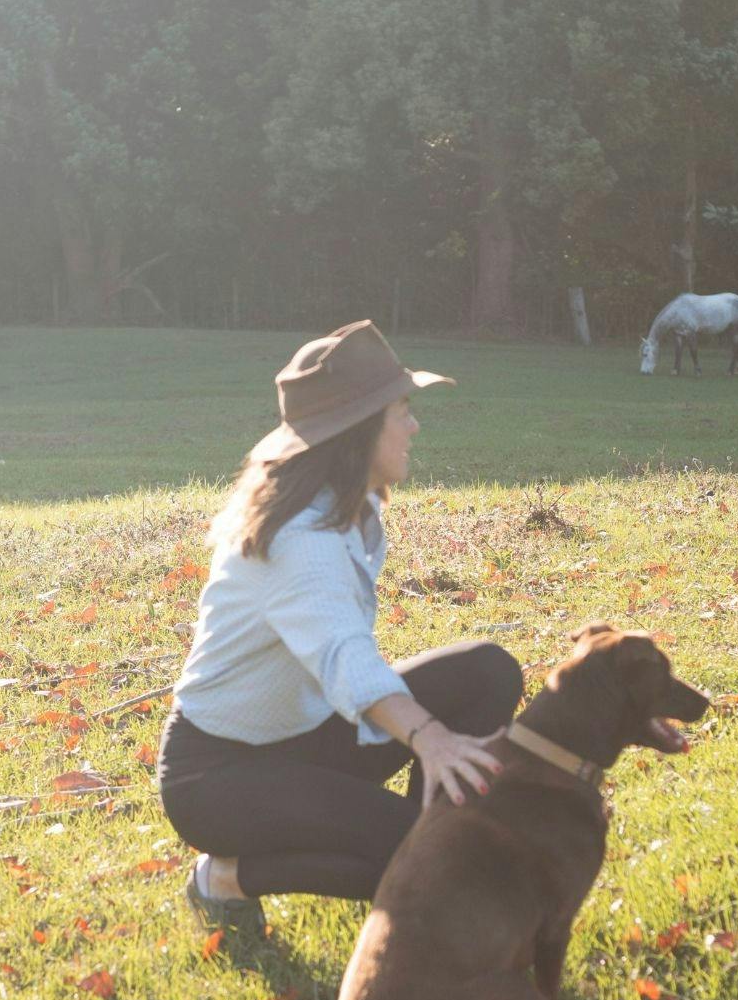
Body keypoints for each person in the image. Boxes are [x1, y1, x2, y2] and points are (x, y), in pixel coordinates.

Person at [157, 319, 523, 928]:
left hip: (307, 738)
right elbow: (347, 659)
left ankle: (430, 853)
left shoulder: (352, 504)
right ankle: (224, 879)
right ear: (357, 431)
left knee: (487, 671)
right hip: (219, 776)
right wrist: (430, 738)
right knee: (435, 864)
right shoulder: (300, 539)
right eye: (401, 410)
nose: (413, 425)